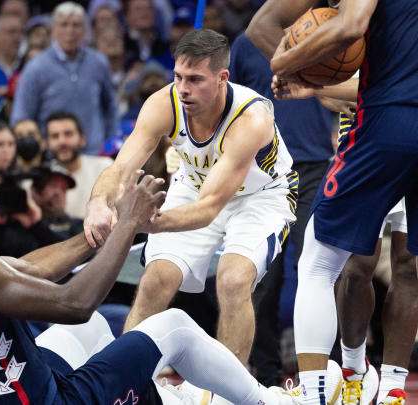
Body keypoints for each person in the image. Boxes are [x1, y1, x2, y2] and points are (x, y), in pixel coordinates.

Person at [0, 152, 325, 405]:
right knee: (172, 326)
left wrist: (105, 229)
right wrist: (130, 226)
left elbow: (30, 269)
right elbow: (74, 304)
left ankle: (149, 394)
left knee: (100, 330)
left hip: (8, 389)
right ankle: (267, 402)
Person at [268, 1, 418, 405]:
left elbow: (350, 24)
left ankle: (316, 394)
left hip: (389, 120)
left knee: (319, 263)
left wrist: (286, 60)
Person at [85, 29, 302, 390]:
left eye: (195, 79)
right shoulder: (163, 103)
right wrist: (98, 202)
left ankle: (225, 393)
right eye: (178, 77)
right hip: (195, 183)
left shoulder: (251, 118)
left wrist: (143, 223)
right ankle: (123, 387)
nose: (183, 88)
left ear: (222, 78)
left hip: (261, 196)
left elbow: (208, 210)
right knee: (155, 280)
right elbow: (120, 169)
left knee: (233, 281)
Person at [228, 29, 334, 389]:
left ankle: (322, 374)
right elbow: (230, 109)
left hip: (318, 166)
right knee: (263, 280)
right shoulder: (245, 44)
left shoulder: (325, 29)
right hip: (264, 173)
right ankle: (267, 380)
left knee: (318, 271)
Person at [10, 2, 118, 156]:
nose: (70, 31)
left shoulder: (99, 62)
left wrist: (109, 142)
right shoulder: (36, 67)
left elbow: (111, 107)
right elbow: (21, 117)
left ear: (85, 30)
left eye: (76, 25)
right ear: (53, 29)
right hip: (52, 157)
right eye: (64, 25)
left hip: (94, 154)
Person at [45, 111, 113, 219]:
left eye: (68, 134)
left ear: (82, 139)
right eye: (55, 136)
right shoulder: (41, 178)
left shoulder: (105, 167)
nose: (62, 141)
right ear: (47, 144)